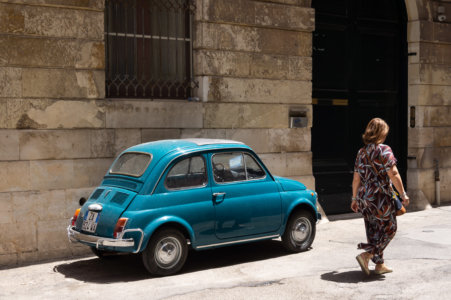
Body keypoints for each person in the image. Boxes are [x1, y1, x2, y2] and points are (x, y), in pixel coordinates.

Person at [351, 118, 410, 275]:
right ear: (381, 133)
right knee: (390, 229)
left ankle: (379, 265)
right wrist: (403, 194)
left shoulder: (361, 152)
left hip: (364, 197)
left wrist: (354, 198)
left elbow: (356, 178)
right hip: (380, 197)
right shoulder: (384, 150)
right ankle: (367, 254)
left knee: (373, 230)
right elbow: (394, 173)